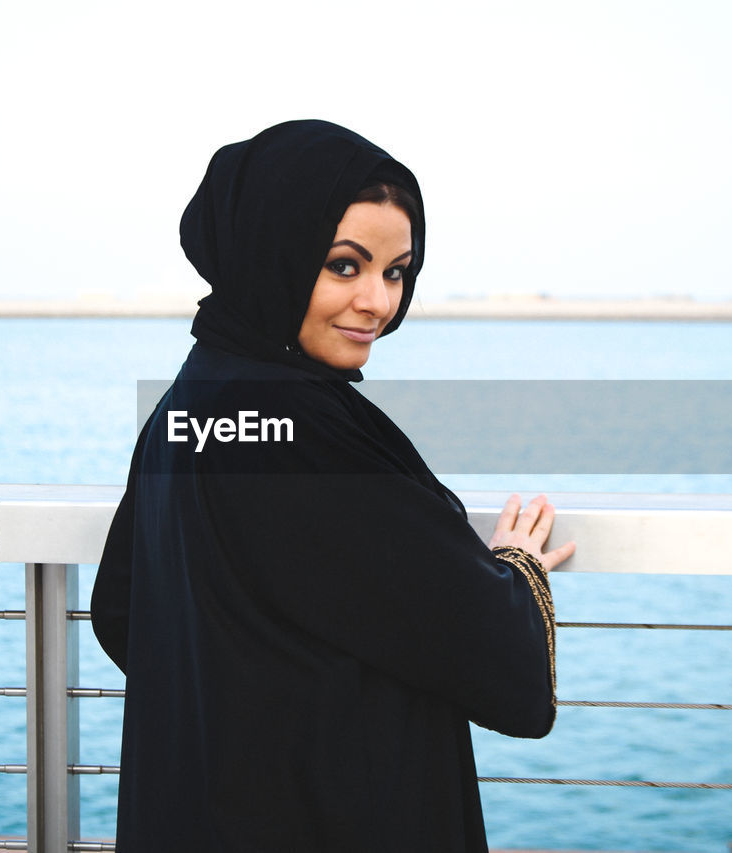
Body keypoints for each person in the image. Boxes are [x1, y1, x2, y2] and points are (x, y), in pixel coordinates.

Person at [91, 119, 575, 852]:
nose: (379, 302)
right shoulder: (307, 432)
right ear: (273, 253)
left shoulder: (188, 407)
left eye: (396, 271)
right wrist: (516, 567)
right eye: (344, 266)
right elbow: (508, 672)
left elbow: (121, 612)